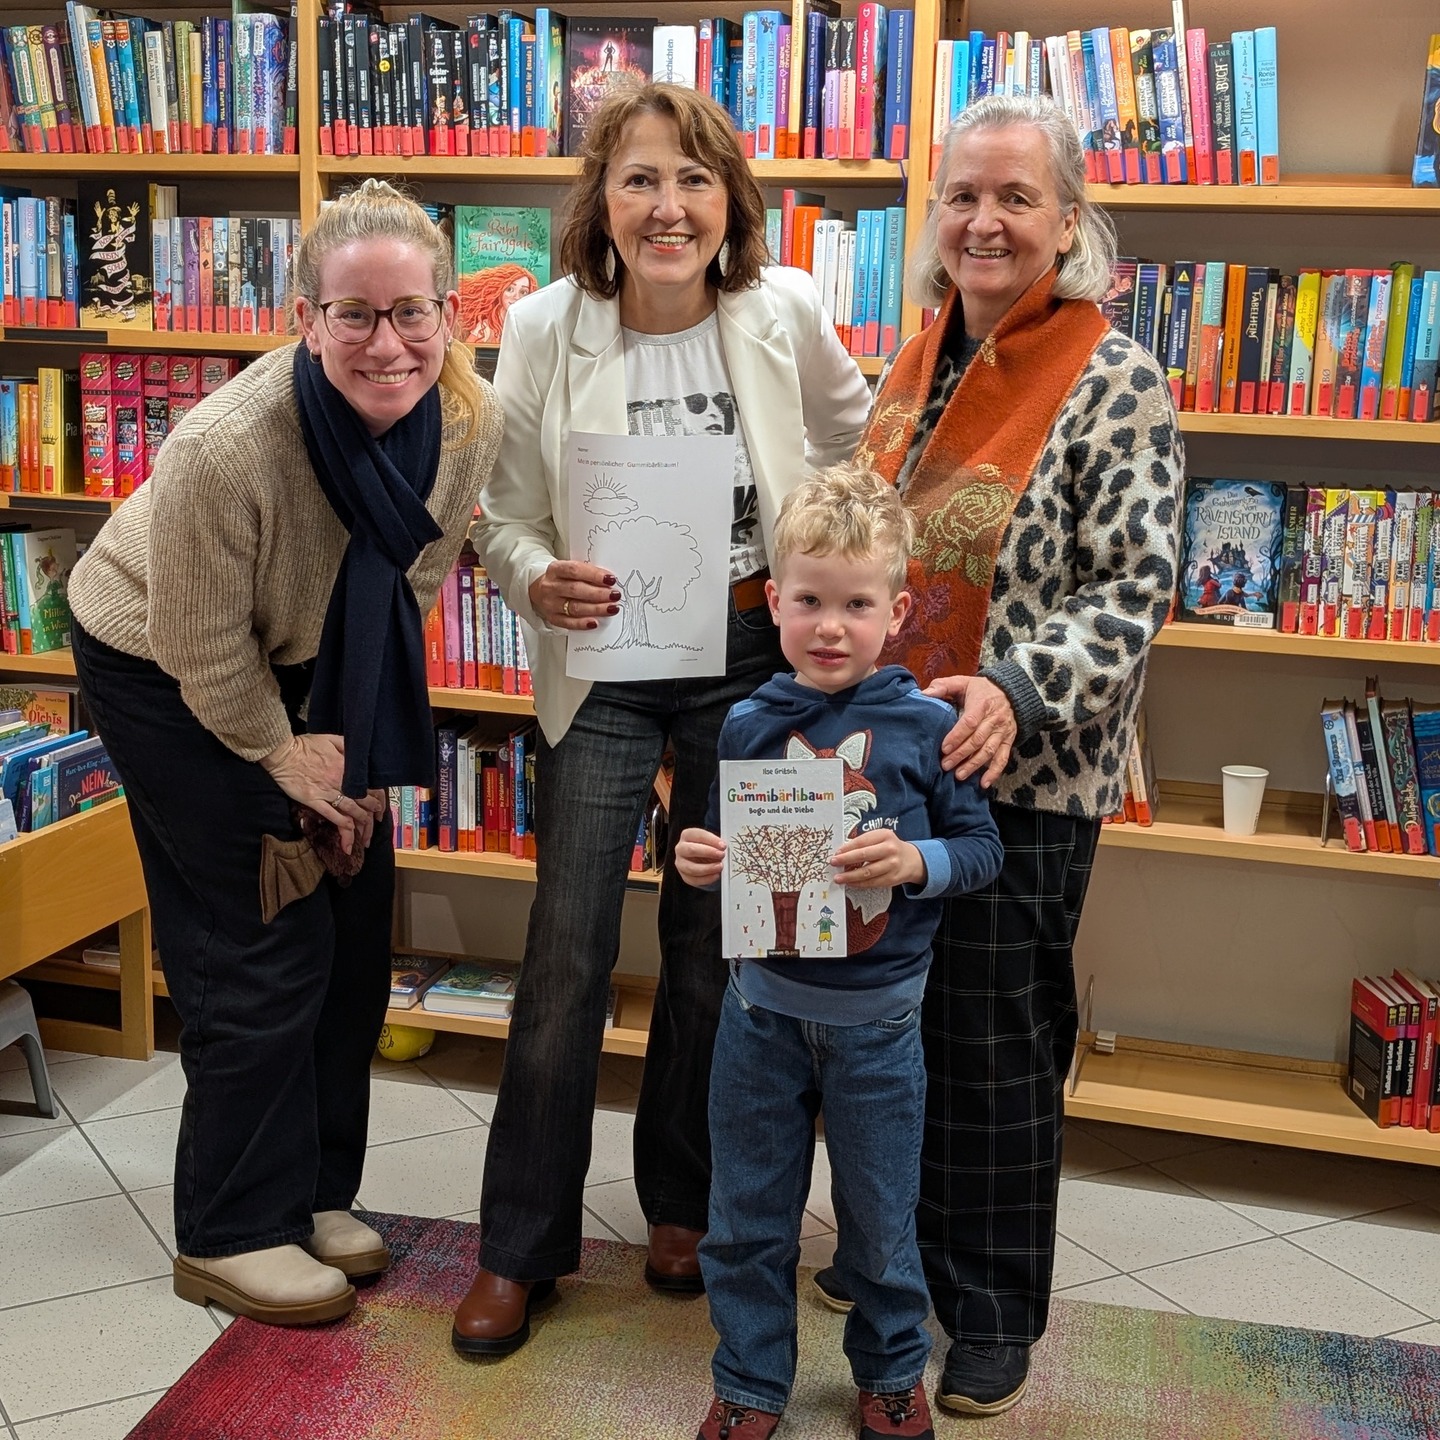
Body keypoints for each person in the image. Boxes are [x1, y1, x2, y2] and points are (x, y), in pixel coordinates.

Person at [456, 82, 872, 1357]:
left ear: (729, 200)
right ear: (604, 202)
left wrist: (818, 570)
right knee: (568, 948)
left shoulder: (782, 307)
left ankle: (681, 1205)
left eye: (693, 180)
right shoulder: (543, 327)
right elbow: (499, 517)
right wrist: (538, 578)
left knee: (721, 947)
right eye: (639, 180)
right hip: (608, 660)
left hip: (753, 656)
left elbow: (861, 436)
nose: (668, 206)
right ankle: (521, 1245)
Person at [67, 180, 503, 1326]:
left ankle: (313, 1194)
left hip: (323, 665)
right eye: (352, 315)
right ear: (305, 319)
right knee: (261, 935)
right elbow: (202, 646)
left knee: (354, 919)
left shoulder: (467, 420)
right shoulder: (225, 446)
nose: (386, 342)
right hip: (164, 667)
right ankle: (230, 1229)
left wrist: (341, 756)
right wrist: (285, 760)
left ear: (450, 315)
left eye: (412, 312)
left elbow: (408, 588)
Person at [816, 94, 1184, 1416]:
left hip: (1020, 769)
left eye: (1016, 198)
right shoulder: (912, 361)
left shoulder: (1115, 375)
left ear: (1067, 220)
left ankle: (991, 1307)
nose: (985, 220)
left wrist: (1018, 694)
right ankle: (897, 1259)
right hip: (888, 764)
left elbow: (1132, 593)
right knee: (886, 1029)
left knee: (993, 1042)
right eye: (965, 196)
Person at [675, 467, 1003, 1440]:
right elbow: (722, 849)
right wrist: (699, 860)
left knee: (879, 1225)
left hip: (878, 1030)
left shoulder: (927, 727)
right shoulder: (746, 723)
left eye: (856, 605)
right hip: (761, 1018)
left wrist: (914, 858)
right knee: (744, 1219)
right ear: (774, 602)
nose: (830, 625)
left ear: (895, 611)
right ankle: (748, 1382)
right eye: (809, 601)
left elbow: (982, 851)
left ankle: (893, 1374)